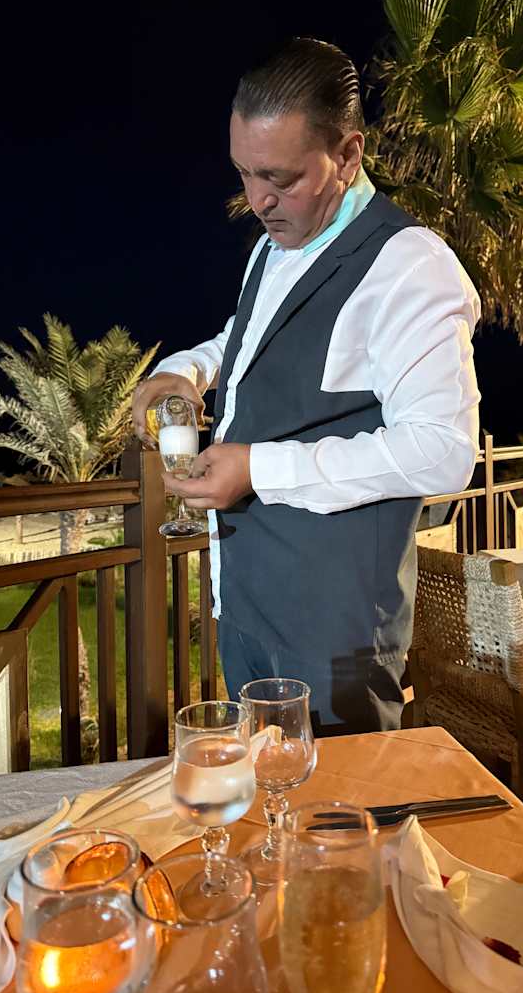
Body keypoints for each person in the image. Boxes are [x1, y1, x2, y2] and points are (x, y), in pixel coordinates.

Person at [132, 37, 480, 735]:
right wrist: (187, 368)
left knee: (341, 803)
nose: (258, 200)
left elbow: (444, 452)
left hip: (334, 629)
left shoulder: (410, 266)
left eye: (281, 178)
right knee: (267, 797)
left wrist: (257, 469)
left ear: (348, 155)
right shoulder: (275, 244)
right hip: (246, 602)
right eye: (244, 173)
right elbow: (245, 338)